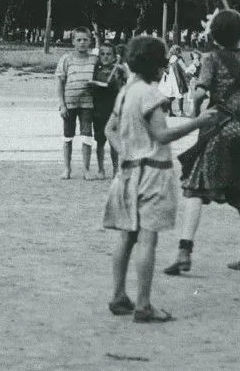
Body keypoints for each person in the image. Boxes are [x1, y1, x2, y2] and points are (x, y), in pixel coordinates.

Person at [102, 35, 218, 324]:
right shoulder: (150, 94)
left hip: (128, 171)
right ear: (156, 63)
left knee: (126, 235)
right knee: (147, 239)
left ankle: (118, 295)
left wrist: (127, 153)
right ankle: (143, 304)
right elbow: (162, 135)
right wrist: (199, 123)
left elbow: (109, 129)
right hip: (152, 172)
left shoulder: (126, 91)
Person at [163, 9, 240, 277]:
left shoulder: (211, 58)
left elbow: (199, 93)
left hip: (218, 129)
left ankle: (184, 250)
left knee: (195, 189)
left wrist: (195, 109)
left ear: (214, 34)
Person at [55, 27, 97, 180]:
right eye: (79, 40)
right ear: (73, 42)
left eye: (85, 39)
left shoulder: (94, 59)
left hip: (88, 104)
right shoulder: (66, 59)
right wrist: (62, 104)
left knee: (87, 136)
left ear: (90, 41)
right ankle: (67, 169)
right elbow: (60, 82)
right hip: (70, 104)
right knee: (68, 137)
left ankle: (86, 169)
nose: (82, 43)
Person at [91, 42, 127, 179]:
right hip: (99, 109)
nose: (105, 57)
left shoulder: (118, 70)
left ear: (114, 56)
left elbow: (128, 84)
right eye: (103, 54)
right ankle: (101, 169)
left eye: (108, 54)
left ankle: (116, 168)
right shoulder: (95, 69)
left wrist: (123, 72)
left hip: (114, 109)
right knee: (100, 141)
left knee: (114, 141)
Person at [158, 45, 189, 116]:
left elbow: (164, 69)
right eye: (179, 51)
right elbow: (185, 69)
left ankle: (170, 112)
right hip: (176, 79)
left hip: (168, 79)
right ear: (177, 51)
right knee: (180, 94)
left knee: (170, 95)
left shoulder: (169, 59)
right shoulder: (178, 59)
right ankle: (181, 112)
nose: (180, 52)